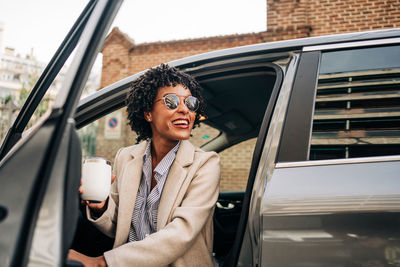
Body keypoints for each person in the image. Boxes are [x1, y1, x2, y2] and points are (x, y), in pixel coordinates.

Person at [68, 64, 221, 267]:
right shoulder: (126, 157)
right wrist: (101, 207)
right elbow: (118, 226)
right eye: (172, 101)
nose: (184, 109)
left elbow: (180, 233)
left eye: (191, 103)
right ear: (148, 113)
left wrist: (101, 263)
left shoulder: (206, 164)